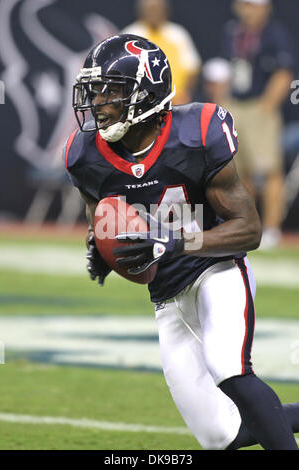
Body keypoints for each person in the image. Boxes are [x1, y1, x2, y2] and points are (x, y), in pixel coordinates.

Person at [64, 34, 299, 450]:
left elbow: (249, 229)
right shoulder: (87, 155)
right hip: (168, 292)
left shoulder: (197, 133)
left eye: (112, 91)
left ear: (146, 92)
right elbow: (99, 219)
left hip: (217, 269)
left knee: (229, 369)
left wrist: (174, 243)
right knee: (219, 436)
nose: (98, 102)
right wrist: (101, 251)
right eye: (94, 90)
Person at [221, 0, 295, 248]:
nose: (248, 10)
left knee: (269, 169)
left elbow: (285, 72)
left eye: (252, 6)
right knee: (241, 172)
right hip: (237, 104)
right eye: (245, 5)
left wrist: (267, 105)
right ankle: (247, 225)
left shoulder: (273, 33)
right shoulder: (233, 31)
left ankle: (272, 229)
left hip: (259, 105)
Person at [122, 0, 201, 105]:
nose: (155, 13)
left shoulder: (178, 34)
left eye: (158, 9)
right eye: (151, 9)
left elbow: (193, 68)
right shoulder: (131, 35)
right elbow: (123, 72)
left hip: (176, 101)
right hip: (141, 103)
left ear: (166, 11)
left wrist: (185, 93)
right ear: (141, 11)